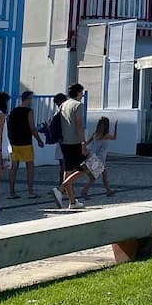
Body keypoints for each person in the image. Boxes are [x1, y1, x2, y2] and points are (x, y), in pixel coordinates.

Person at [52, 83, 87, 211]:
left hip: (64, 141)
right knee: (85, 168)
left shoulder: (63, 104)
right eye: (82, 92)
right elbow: (79, 125)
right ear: (78, 92)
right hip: (75, 141)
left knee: (68, 170)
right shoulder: (78, 105)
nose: (82, 94)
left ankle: (72, 201)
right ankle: (60, 189)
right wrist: (83, 143)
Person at [7, 91, 44, 200]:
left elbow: (9, 127)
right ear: (27, 99)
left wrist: (10, 140)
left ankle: (12, 192)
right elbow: (32, 128)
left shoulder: (13, 111)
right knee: (30, 166)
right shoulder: (29, 111)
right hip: (26, 142)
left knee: (14, 167)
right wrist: (39, 140)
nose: (32, 101)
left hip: (15, 142)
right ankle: (31, 191)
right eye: (31, 99)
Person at [81, 117, 118, 197]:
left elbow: (86, 143)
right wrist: (115, 127)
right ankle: (85, 191)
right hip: (99, 159)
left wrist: (84, 150)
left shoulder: (95, 134)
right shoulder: (106, 135)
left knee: (101, 175)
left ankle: (108, 190)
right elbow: (115, 137)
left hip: (92, 157)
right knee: (94, 177)